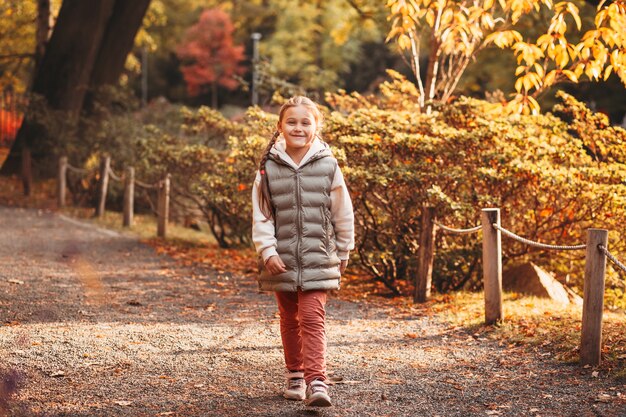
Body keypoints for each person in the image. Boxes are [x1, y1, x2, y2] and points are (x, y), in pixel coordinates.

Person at [251, 96, 354, 407]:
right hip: (280, 258)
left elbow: (342, 211)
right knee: (288, 318)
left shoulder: (328, 165)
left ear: (316, 127)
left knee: (311, 316)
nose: (298, 127)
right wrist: (268, 251)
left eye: (305, 122)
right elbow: (262, 214)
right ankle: (294, 375)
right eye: (291, 122)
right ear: (280, 126)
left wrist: (345, 248)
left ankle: (317, 382)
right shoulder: (267, 167)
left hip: (318, 255)